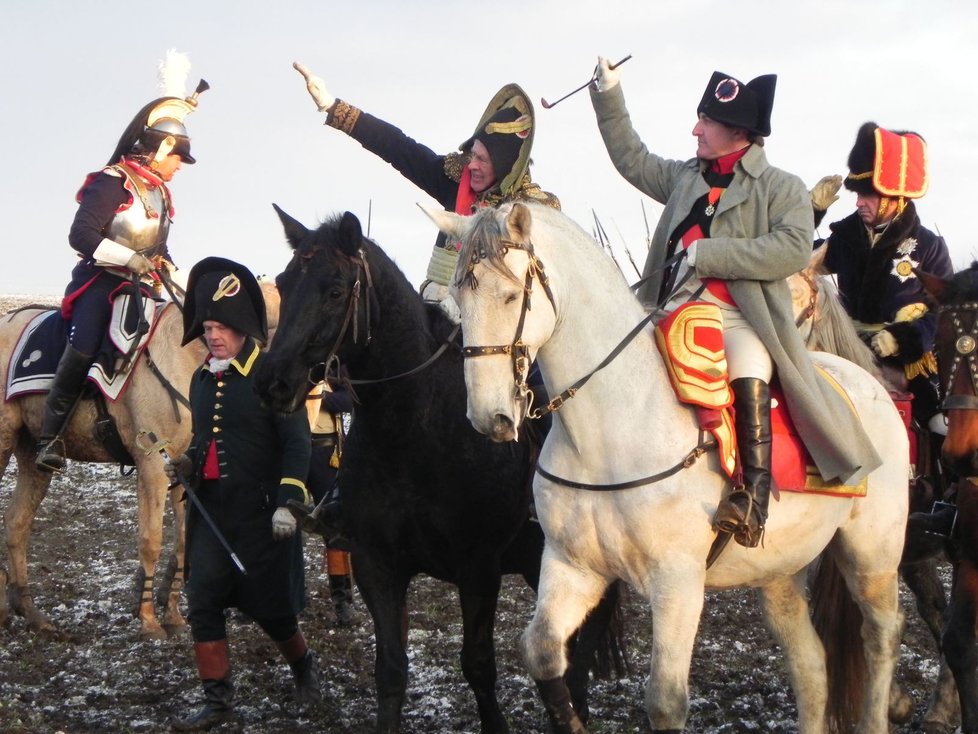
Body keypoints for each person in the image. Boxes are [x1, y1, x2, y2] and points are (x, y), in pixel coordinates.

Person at [589, 60, 881, 549]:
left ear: (738, 132)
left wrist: (712, 253)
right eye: (699, 119)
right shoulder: (684, 177)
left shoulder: (782, 186)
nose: (695, 130)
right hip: (670, 308)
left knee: (748, 375)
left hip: (738, 317)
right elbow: (631, 157)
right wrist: (609, 92)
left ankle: (752, 498)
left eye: (706, 122)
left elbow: (791, 248)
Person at [35, 57, 208, 473]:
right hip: (100, 283)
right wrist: (130, 257)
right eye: (178, 158)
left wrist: (185, 282)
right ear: (162, 149)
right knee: (84, 344)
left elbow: (162, 251)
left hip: (143, 288)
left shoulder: (162, 196)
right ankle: (50, 436)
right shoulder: (112, 181)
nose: (180, 167)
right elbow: (81, 235)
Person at [166, 257, 317, 731]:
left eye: (221, 327)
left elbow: (297, 443)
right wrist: (188, 462)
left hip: (262, 517)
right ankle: (217, 703)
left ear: (242, 328)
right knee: (203, 602)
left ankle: (304, 668)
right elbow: (205, 440)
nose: (213, 336)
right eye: (207, 327)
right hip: (212, 513)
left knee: (273, 612)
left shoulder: (271, 374)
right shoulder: (201, 377)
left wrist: (288, 502)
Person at [293, 61, 560, 319]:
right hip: (435, 317)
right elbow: (397, 146)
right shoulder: (455, 181)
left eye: (482, 160)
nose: (472, 165)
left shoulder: (534, 212)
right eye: (472, 155)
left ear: (506, 167)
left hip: (499, 336)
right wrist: (332, 106)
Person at [820, 122, 955, 535]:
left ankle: (947, 504)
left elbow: (942, 313)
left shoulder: (928, 246)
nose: (860, 202)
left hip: (905, 354)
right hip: (846, 344)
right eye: (858, 193)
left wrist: (903, 339)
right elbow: (796, 265)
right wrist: (811, 213)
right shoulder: (842, 238)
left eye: (869, 194)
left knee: (940, 421)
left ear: (895, 197)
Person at [303, 375, 357, 627]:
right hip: (291, 449)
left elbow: (349, 399)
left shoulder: (334, 368)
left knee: (334, 529)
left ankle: (342, 599)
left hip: (326, 453)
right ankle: (289, 595)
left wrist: (323, 398)